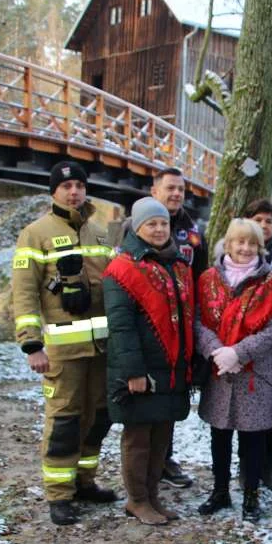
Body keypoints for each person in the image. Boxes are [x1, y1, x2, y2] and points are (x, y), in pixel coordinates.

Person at [12, 160, 117, 526]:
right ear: (53, 191)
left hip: (102, 349)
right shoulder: (35, 233)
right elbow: (23, 292)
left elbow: (116, 288)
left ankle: (85, 482)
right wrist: (31, 344)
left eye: (79, 186)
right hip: (63, 351)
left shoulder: (101, 233)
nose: (74, 192)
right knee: (65, 421)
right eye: (66, 186)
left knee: (98, 418)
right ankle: (59, 494)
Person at [112, 167, 207, 489]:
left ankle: (160, 471)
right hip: (147, 341)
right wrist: (132, 368)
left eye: (181, 189)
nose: (176, 194)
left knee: (165, 415)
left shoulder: (191, 235)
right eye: (170, 188)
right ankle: (139, 493)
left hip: (177, 338)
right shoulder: (128, 248)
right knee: (140, 426)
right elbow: (123, 319)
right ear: (155, 191)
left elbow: (200, 278)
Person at [103, 198, 195, 525]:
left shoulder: (179, 265)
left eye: (163, 224)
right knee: (139, 437)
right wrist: (134, 372)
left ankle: (153, 495)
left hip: (170, 368)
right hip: (142, 370)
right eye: (151, 224)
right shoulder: (123, 269)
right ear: (137, 227)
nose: (158, 229)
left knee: (162, 436)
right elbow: (121, 326)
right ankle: (137, 499)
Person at [196, 219, 272, 522]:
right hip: (219, 370)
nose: (245, 248)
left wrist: (239, 352)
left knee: (253, 439)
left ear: (259, 247)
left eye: (252, 243)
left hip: (254, 373)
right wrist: (217, 352)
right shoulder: (208, 279)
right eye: (239, 242)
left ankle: (251, 496)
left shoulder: (269, 283)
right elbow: (198, 321)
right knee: (219, 435)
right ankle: (220, 491)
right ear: (228, 244)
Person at [239, 198, 272, 490]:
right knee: (244, 416)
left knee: (269, 412)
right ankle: (246, 469)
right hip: (242, 349)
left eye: (269, 220)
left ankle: (267, 465)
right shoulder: (236, 251)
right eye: (258, 219)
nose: (264, 225)